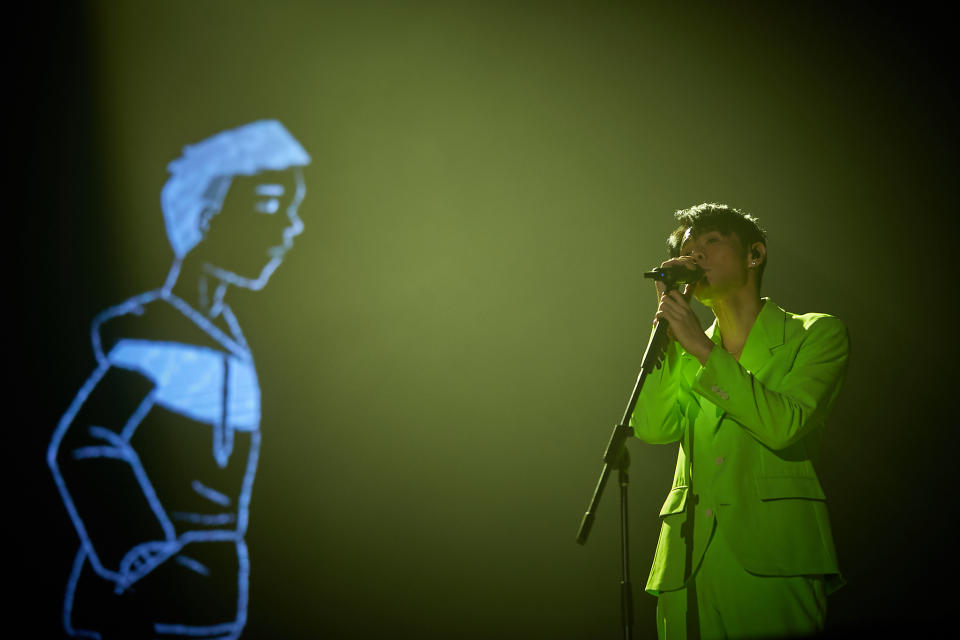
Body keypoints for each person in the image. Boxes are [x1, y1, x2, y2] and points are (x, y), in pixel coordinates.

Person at [48, 120, 310, 639]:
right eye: (269, 204)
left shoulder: (228, 339)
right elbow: (84, 442)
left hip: (202, 606)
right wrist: (140, 556)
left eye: (293, 208)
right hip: (144, 607)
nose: (291, 226)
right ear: (209, 215)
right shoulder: (157, 335)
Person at [630, 203, 849, 639]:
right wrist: (672, 337)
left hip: (773, 559)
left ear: (755, 254)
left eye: (711, 241)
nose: (696, 255)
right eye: (688, 248)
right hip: (687, 563)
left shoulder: (814, 333)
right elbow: (653, 427)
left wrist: (700, 347)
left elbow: (784, 424)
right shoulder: (689, 344)